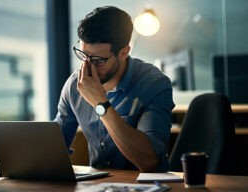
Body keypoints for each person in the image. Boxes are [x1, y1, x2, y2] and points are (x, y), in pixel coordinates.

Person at [54, 6, 174, 172]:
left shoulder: (154, 84)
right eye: (83, 56)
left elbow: (149, 161)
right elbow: (54, 147)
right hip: (97, 185)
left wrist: (100, 103)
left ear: (124, 53)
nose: (88, 67)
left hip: (145, 186)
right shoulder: (75, 84)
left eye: (98, 60)